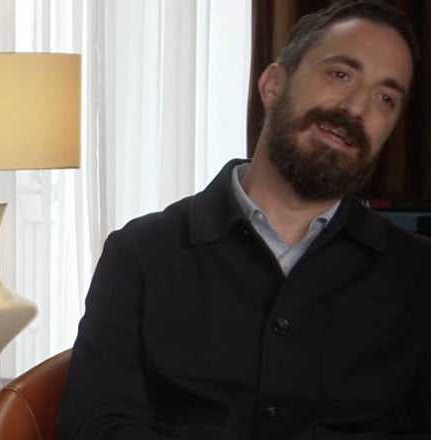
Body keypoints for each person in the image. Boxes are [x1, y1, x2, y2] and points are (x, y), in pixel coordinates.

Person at [59, 1, 431, 438]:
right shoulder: (141, 253)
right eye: (340, 75)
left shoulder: (418, 273)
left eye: (384, 98)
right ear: (273, 85)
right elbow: (96, 423)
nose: (355, 108)